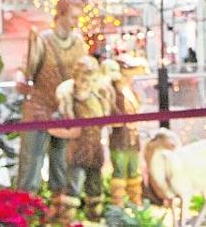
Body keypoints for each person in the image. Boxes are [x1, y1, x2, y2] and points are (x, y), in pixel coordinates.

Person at [15, 0, 87, 195]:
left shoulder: (78, 43)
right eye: (73, 17)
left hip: (65, 110)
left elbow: (86, 74)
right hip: (39, 108)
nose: (76, 22)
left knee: (62, 161)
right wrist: (21, 79)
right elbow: (25, 67)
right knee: (31, 160)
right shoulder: (43, 40)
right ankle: (25, 209)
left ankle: (60, 209)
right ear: (60, 15)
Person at [51, 56, 111, 221]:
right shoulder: (69, 100)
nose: (87, 84)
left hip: (95, 148)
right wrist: (70, 132)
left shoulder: (99, 98)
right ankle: (68, 216)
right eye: (84, 80)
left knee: (94, 182)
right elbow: (54, 126)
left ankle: (95, 214)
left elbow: (104, 120)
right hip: (77, 149)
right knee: (73, 182)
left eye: (92, 80)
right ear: (76, 78)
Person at [105, 56, 144, 207]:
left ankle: (136, 203)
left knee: (134, 170)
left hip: (132, 138)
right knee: (119, 171)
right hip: (119, 138)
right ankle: (118, 205)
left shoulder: (130, 90)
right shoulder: (113, 92)